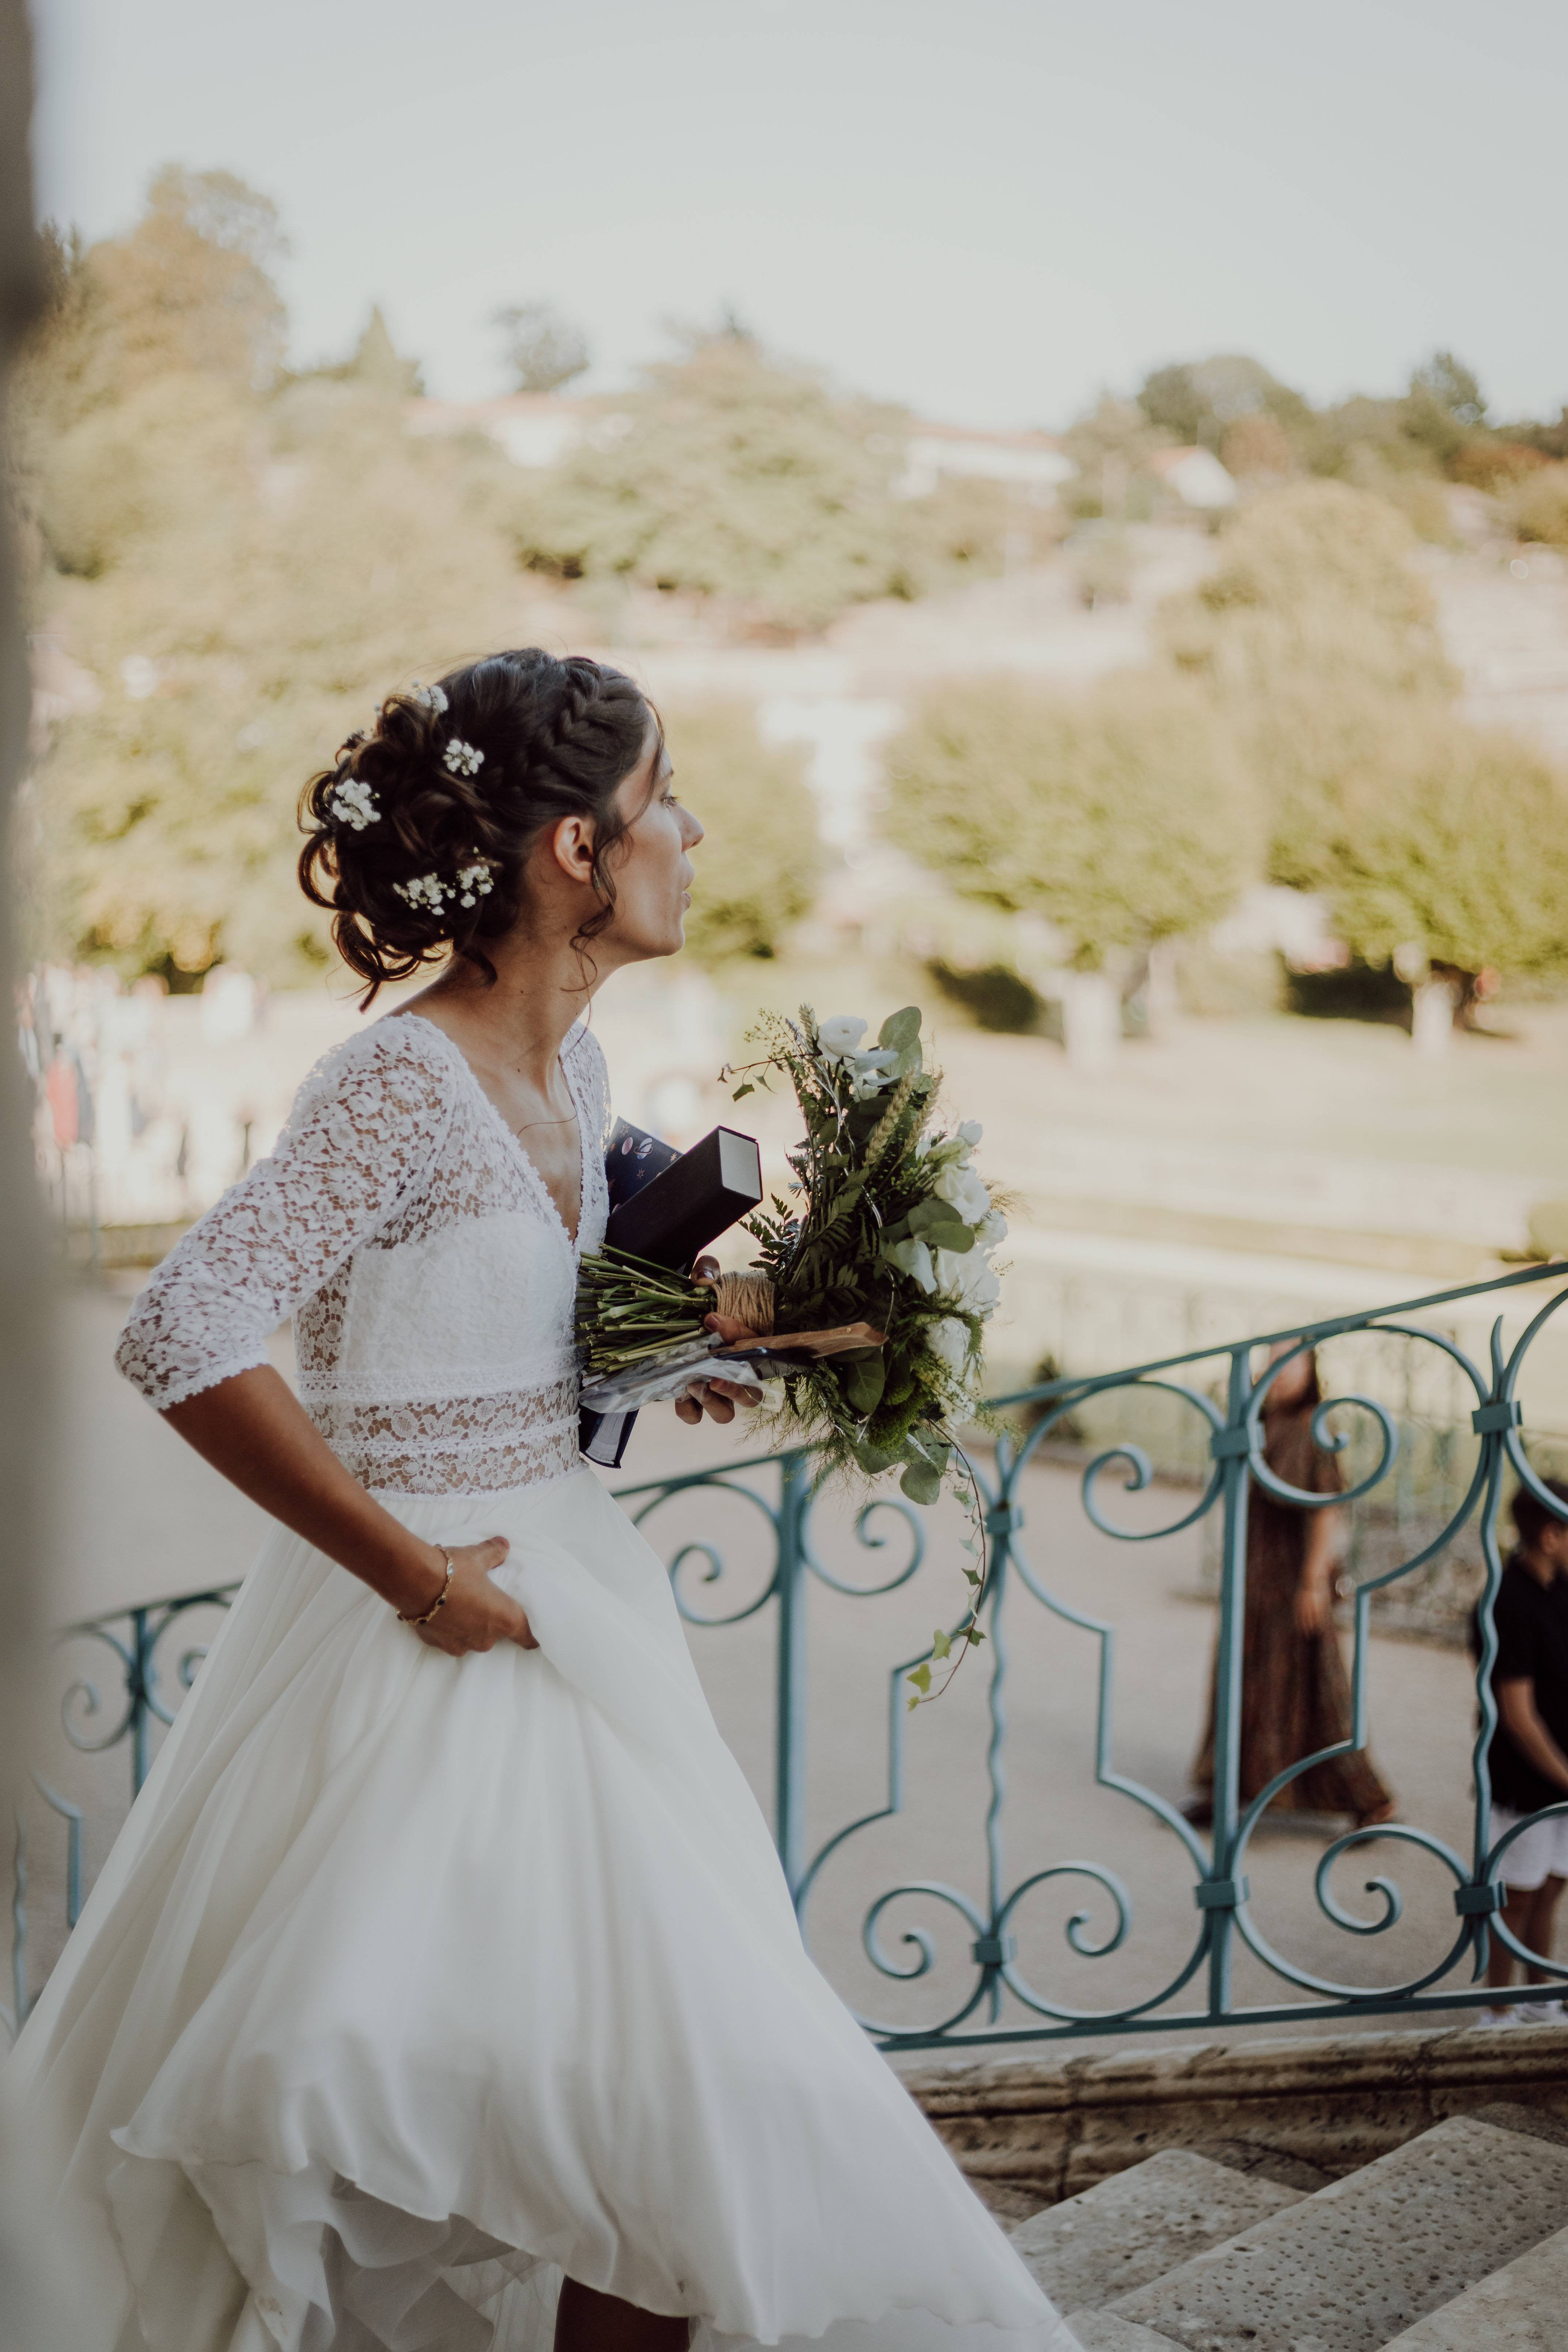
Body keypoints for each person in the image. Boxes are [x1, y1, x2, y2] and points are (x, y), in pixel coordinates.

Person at [5, 650, 1073, 2352]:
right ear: (575, 848)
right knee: (533, 2116)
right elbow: (183, 1322)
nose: (693, 832)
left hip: (583, 1615)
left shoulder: (573, 1082)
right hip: (430, 1650)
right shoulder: (395, 1084)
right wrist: (417, 1577)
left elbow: (506, 1352)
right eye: (666, 801)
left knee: (660, 2125)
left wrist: (702, 1344)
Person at [1189, 1342, 1395, 1830]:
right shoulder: (1262, 1422)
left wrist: (1311, 1584)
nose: (1277, 1373)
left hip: (1293, 1580)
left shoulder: (1313, 1429)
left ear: (1310, 1370)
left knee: (1312, 1684)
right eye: (1271, 1361)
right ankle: (1231, 1789)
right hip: (1255, 1581)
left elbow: (1327, 1508)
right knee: (1246, 1679)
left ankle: (1368, 1800)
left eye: (1290, 1362)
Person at [1473, 1475, 1568, 2026]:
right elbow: (1516, 1714)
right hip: (1525, 1780)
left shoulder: (1560, 1589)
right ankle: (1495, 2010)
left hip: (1558, 1777)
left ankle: (1538, 1999)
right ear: (1551, 1536)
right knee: (1515, 1896)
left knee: (1552, 1885)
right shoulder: (1509, 1601)